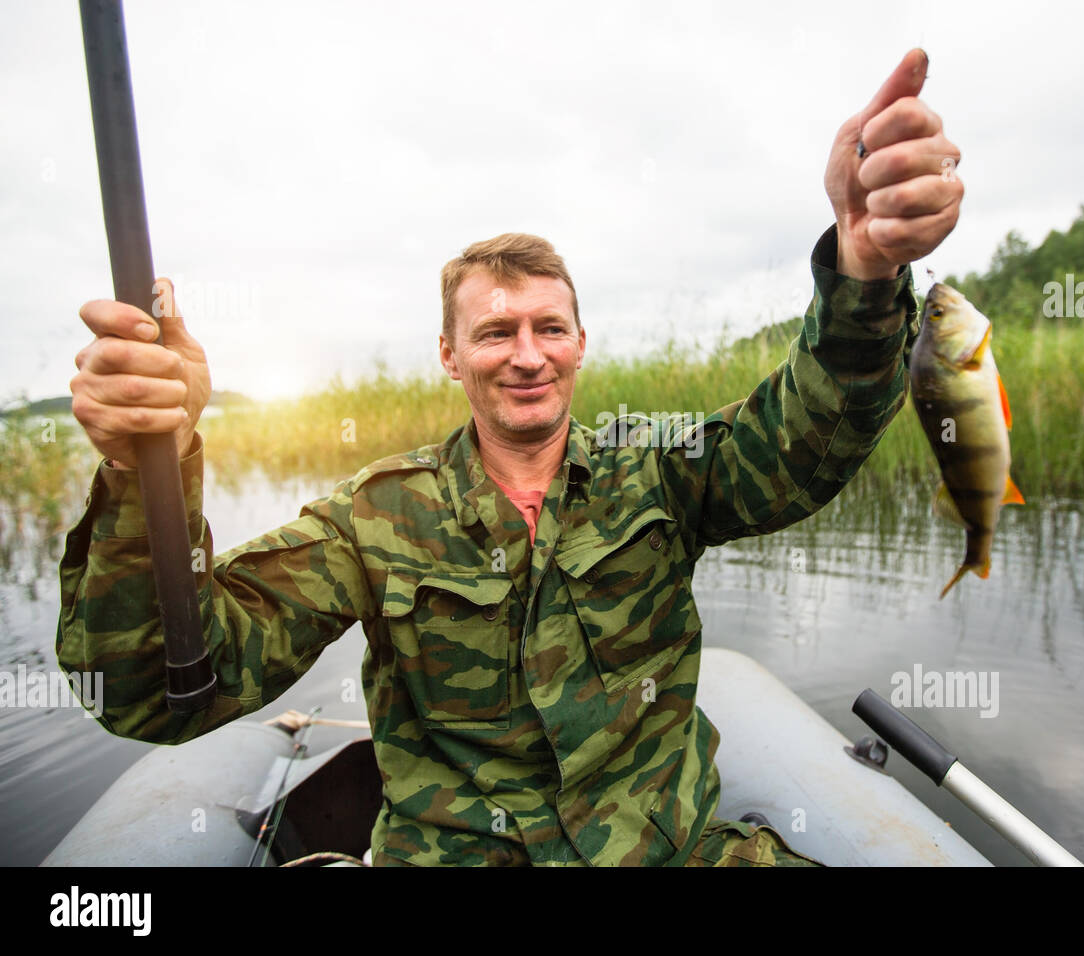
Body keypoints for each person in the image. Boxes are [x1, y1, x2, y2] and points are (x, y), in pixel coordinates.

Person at [58, 49, 962, 866]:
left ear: (579, 344)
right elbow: (167, 692)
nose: (526, 354)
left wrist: (866, 267)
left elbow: (805, 441)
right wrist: (151, 468)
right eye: (495, 331)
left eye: (548, 328)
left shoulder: (658, 467)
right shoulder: (374, 518)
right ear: (450, 355)